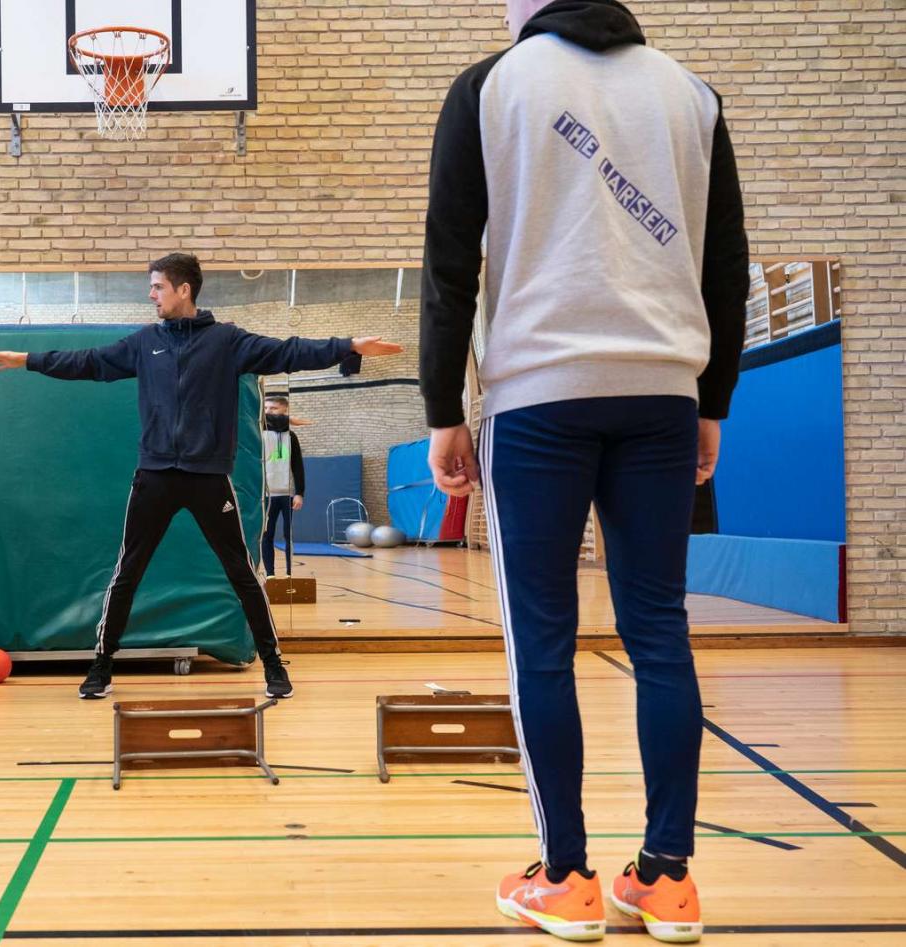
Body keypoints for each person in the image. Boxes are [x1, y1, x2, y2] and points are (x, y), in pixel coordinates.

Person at [420, 0, 748, 941]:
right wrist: (712, 399)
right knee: (659, 631)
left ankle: (565, 873)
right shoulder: (691, 94)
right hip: (662, 397)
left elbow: (449, 262)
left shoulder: (490, 86)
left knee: (543, 640)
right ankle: (668, 879)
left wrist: (444, 408)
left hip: (538, 398)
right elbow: (727, 266)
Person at [0, 253, 402, 700]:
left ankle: (275, 668)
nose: (151, 295)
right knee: (128, 571)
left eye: (158, 287)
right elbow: (88, 361)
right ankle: (101, 668)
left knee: (242, 572)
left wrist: (349, 345)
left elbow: (288, 351)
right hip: (155, 476)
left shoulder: (227, 342)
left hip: (208, 478)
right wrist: (28, 359)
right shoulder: (145, 343)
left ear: (184, 289)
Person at [260, 394, 305, 577]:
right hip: (266, 495)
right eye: (266, 409)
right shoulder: (259, 434)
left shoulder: (291, 437)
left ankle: (289, 574)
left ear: (284, 410)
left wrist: (299, 492)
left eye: (273, 408)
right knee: (267, 536)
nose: (268, 412)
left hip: (286, 494)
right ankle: (270, 574)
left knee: (289, 536)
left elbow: (298, 466)